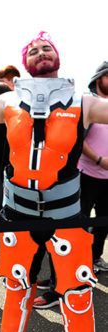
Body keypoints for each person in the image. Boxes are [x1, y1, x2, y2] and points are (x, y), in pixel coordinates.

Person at [0, 32, 108, 332]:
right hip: (18, 212)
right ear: (26, 61)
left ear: (57, 57)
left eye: (47, 47)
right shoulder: (7, 101)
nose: (41, 52)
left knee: (76, 286)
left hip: (66, 213)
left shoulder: (84, 102)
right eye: (33, 49)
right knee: (17, 281)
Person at [79, 61, 108, 273]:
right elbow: (77, 141)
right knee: (80, 220)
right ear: (99, 79)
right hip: (86, 174)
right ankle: (77, 261)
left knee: (104, 222)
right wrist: (99, 160)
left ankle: (95, 257)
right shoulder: (88, 104)